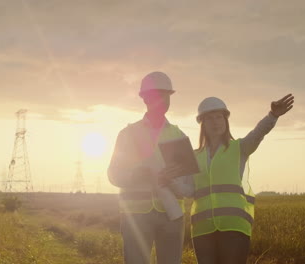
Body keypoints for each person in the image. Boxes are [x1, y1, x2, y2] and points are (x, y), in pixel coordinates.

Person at [177, 94, 294, 264]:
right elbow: (188, 190)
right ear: (202, 124)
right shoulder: (194, 157)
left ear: (226, 120)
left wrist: (272, 115)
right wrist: (170, 181)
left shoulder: (240, 147)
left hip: (234, 225)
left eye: (219, 117)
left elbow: (258, 134)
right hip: (202, 228)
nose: (216, 122)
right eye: (210, 118)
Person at [108, 71, 194, 264]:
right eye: (157, 95)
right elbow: (113, 174)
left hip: (171, 214)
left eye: (166, 95)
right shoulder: (127, 134)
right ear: (145, 99)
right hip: (136, 215)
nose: (162, 100)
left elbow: (188, 182)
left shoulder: (178, 135)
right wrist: (134, 175)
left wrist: (173, 180)